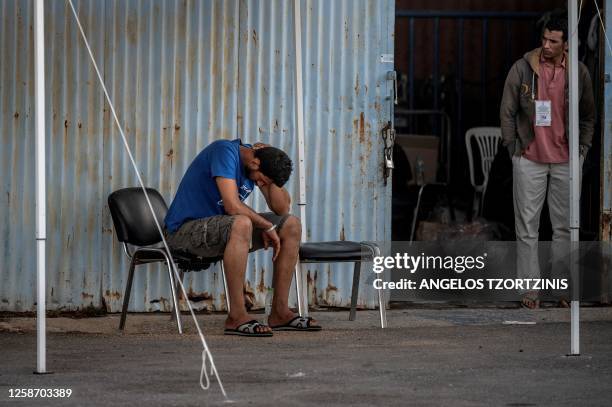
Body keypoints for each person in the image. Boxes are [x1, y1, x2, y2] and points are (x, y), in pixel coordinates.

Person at [164, 138, 321, 336]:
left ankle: (280, 313)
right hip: (184, 232)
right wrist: (265, 225)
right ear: (254, 163)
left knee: (290, 224)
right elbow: (232, 205)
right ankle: (236, 316)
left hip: (220, 229)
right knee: (241, 222)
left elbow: (281, 208)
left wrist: (270, 173)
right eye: (262, 179)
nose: (260, 184)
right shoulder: (225, 152)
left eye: (264, 182)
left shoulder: (256, 165)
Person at [499, 11, 595, 309]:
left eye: (554, 41)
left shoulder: (578, 72)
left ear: (566, 44)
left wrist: (582, 149)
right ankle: (529, 291)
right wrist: (514, 147)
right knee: (527, 226)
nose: (547, 45)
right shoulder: (523, 68)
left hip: (566, 159)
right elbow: (507, 111)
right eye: (544, 39)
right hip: (529, 158)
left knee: (566, 226)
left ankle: (562, 288)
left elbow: (588, 115)